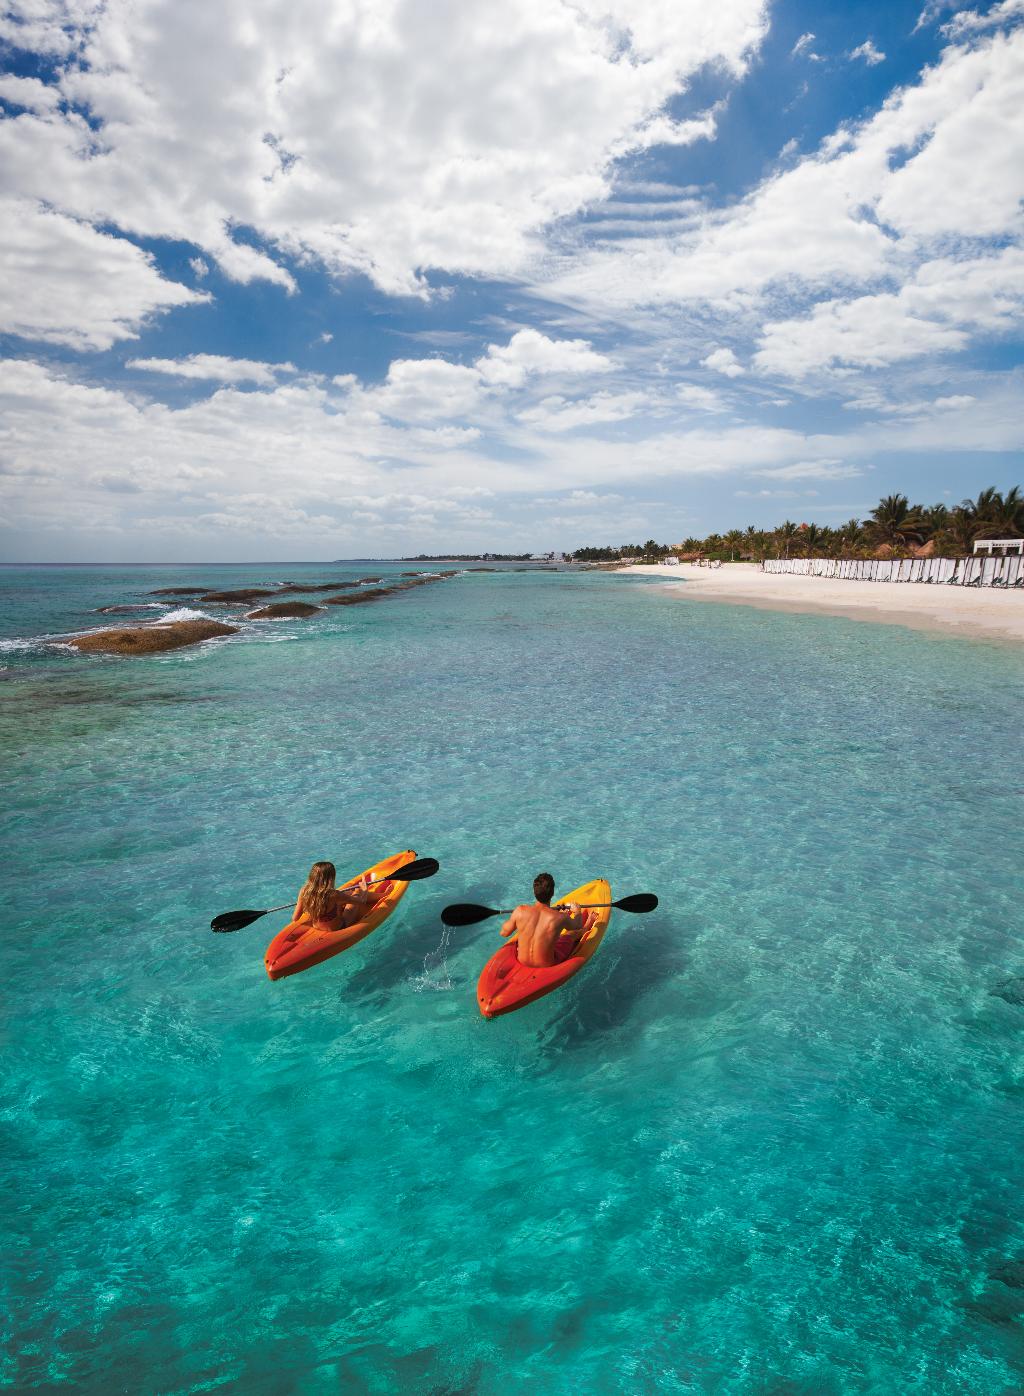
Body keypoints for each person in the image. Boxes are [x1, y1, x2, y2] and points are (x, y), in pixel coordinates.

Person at [500, 872, 584, 968]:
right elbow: (577, 926)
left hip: (522, 961)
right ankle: (587, 928)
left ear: (535, 892)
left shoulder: (520, 911)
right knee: (571, 935)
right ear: (552, 893)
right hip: (547, 964)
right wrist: (577, 911)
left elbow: (504, 933)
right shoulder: (560, 917)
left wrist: (514, 918)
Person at [292, 860, 375, 931]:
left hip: (316, 926)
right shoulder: (334, 894)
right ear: (330, 878)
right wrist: (364, 889)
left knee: (342, 899)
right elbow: (362, 902)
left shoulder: (304, 891)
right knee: (357, 893)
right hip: (338, 927)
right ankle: (382, 895)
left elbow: (295, 918)